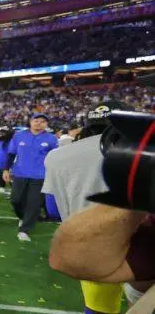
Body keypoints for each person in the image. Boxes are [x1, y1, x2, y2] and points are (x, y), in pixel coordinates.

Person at [43, 100, 146, 314]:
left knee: (100, 309)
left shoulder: (56, 156)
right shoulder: (144, 151)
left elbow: (52, 210)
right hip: (145, 243)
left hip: (89, 244)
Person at [3, 113, 58, 242]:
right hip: (20, 173)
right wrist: (6, 169)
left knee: (34, 204)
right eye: (36, 120)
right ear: (30, 121)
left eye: (42, 121)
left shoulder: (51, 138)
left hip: (40, 176)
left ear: (46, 124)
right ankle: (23, 217)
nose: (39, 123)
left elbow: (55, 157)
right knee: (15, 200)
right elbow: (11, 153)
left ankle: (24, 230)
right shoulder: (19, 136)